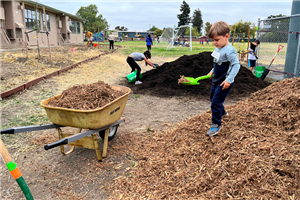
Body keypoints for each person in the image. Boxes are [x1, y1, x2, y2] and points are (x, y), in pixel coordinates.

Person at [206, 21, 240, 136]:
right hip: (216, 79)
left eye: (216, 40)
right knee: (213, 98)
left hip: (224, 81)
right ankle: (223, 112)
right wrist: (211, 71)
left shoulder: (229, 50)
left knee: (215, 101)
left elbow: (236, 65)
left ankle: (216, 124)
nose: (213, 43)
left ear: (226, 36)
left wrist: (229, 80)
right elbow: (216, 62)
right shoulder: (218, 48)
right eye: (212, 40)